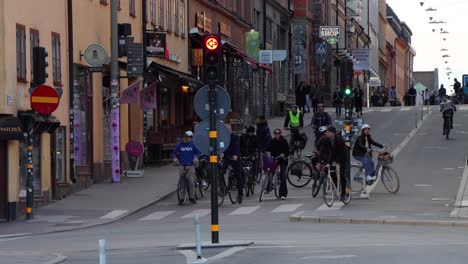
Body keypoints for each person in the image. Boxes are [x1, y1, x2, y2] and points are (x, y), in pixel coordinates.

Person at [315, 126, 348, 201]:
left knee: (342, 174)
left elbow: (341, 152)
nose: (327, 133)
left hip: (341, 157)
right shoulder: (325, 139)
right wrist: (319, 162)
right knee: (327, 168)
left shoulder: (340, 140)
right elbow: (322, 151)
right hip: (332, 155)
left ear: (333, 133)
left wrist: (336, 162)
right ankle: (335, 183)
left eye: (328, 132)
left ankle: (343, 194)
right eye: (327, 132)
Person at [172, 131, 201, 205]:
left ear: (190, 138)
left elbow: (198, 153)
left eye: (187, 137)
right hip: (182, 165)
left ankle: (192, 197)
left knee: (191, 180)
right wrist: (175, 158)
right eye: (185, 137)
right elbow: (174, 153)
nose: (185, 138)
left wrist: (196, 157)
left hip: (190, 165)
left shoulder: (193, 145)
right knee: (182, 181)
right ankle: (181, 198)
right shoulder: (179, 145)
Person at [223, 124, 244, 204]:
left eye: (228, 129)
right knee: (220, 171)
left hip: (234, 157)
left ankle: (240, 194)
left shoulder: (235, 137)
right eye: (226, 129)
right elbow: (221, 147)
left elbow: (236, 146)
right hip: (226, 157)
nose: (227, 131)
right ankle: (223, 187)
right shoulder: (223, 137)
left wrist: (235, 155)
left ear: (231, 130)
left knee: (238, 175)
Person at [266, 128, 290, 200]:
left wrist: (284, 155)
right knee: (270, 173)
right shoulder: (272, 141)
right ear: (274, 134)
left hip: (282, 160)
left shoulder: (284, 141)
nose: (277, 135)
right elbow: (268, 148)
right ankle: (268, 187)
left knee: (283, 177)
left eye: (278, 133)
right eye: (275, 133)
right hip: (274, 159)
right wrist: (264, 152)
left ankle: (283, 194)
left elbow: (287, 151)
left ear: (280, 134)